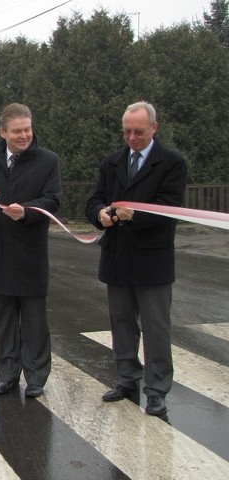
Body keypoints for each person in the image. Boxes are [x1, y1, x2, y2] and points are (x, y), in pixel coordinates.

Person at [85, 101, 187, 416]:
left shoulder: (170, 162)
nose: (132, 137)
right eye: (127, 131)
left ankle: (156, 390)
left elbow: (170, 211)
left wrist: (135, 216)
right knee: (122, 323)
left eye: (138, 132)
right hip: (117, 257)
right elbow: (95, 199)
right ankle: (128, 379)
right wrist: (99, 214)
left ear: (154, 128)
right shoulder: (112, 161)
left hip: (152, 261)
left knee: (156, 327)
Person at [0, 103, 61, 398]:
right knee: (4, 322)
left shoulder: (47, 160)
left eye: (28, 129)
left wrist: (29, 210)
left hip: (30, 253)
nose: (24, 136)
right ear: (3, 133)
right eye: (17, 131)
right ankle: (7, 374)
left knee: (34, 323)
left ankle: (35, 378)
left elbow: (53, 200)